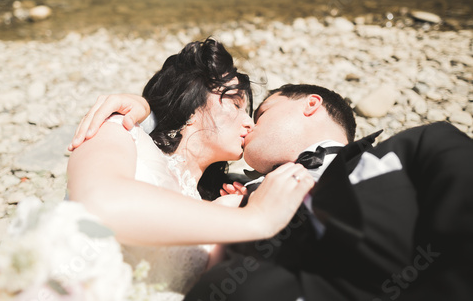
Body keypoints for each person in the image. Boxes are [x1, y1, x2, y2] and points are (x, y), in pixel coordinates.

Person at [73, 84, 473, 301]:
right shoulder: (228, 198)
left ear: (311, 105)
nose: (248, 125)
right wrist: (151, 108)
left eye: (260, 112)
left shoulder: (418, 146)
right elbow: (156, 181)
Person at [66, 39, 314, 300]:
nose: (249, 123)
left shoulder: (216, 206)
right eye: (236, 104)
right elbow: (99, 207)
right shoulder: (122, 130)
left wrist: (236, 208)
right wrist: (256, 218)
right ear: (193, 103)